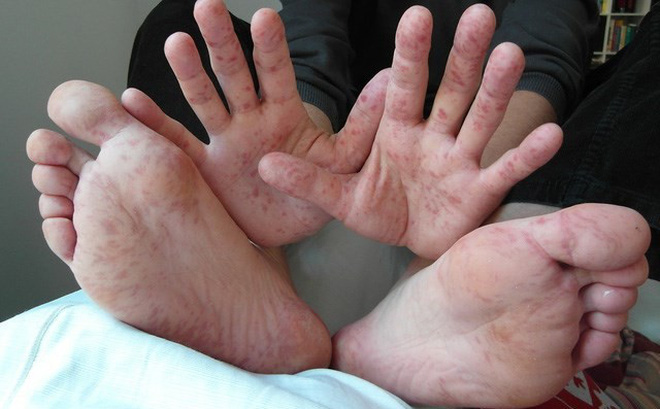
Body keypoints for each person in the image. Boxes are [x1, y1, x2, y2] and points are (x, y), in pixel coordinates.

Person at [25, 1, 653, 408]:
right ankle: (257, 253)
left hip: (490, 136)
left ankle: (478, 251)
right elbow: (312, 45)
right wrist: (298, 162)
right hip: (340, 130)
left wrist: (475, 173)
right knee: (178, 22)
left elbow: (544, 56)